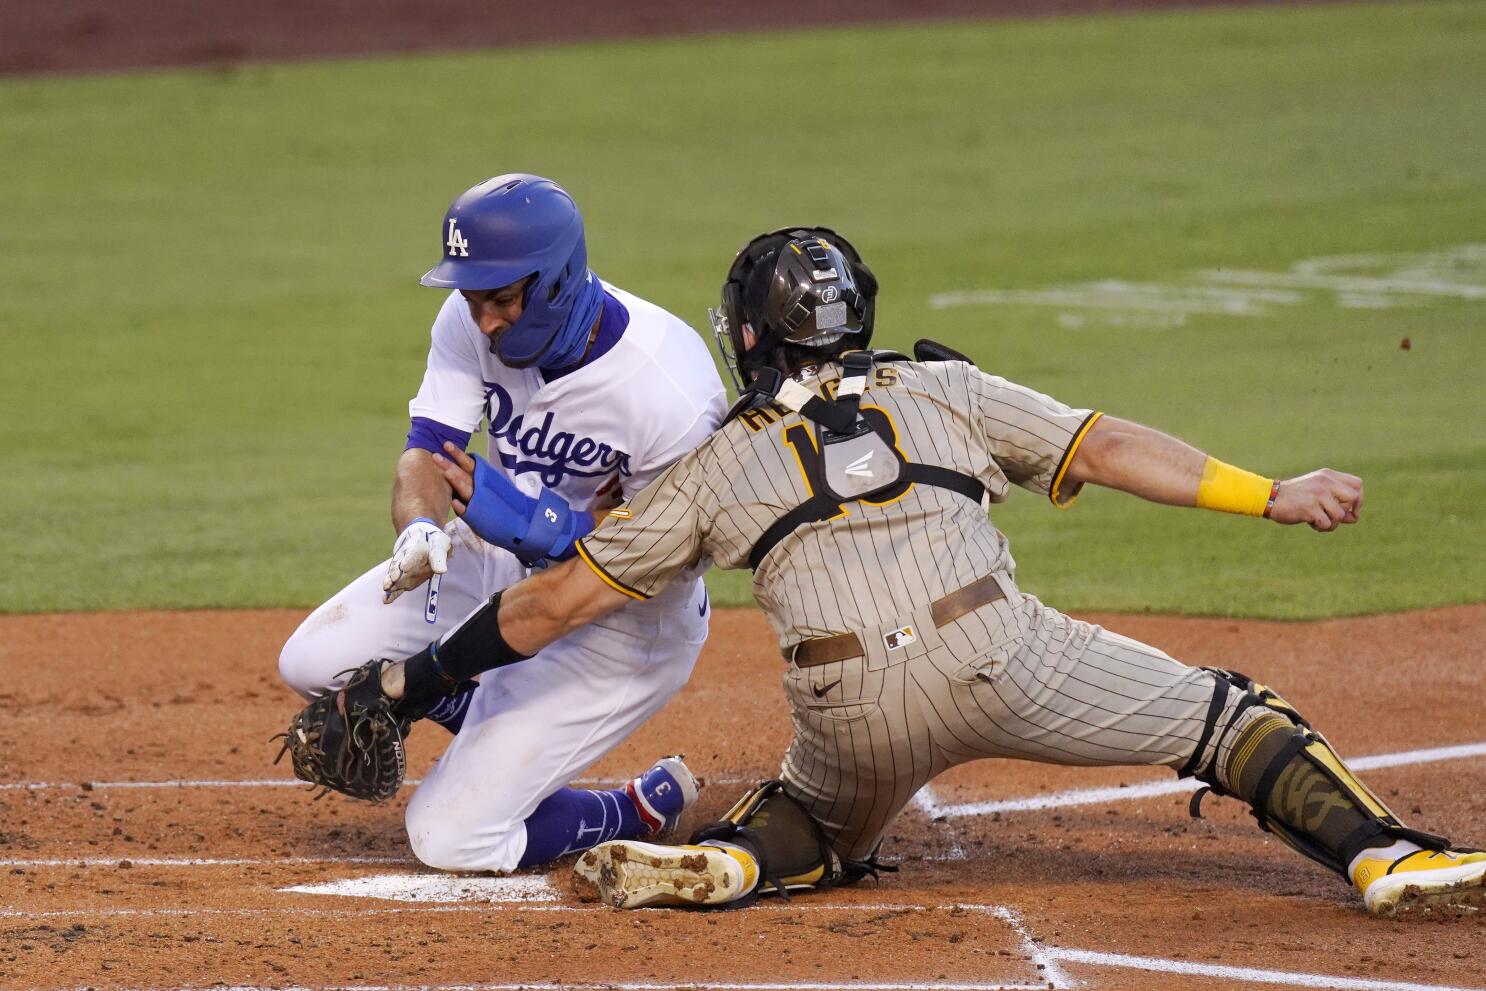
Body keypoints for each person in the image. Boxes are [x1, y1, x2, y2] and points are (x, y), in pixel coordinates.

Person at [365, 225, 1483, 917]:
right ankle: (1383, 855)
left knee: (819, 814)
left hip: (845, 704)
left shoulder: (714, 464)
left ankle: (740, 866)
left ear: (747, 339)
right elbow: (1105, 446)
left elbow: (553, 603)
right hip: (1002, 652)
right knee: (1233, 721)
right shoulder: (946, 389)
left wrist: (411, 684)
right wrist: (1269, 492)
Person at [276, 174, 726, 872]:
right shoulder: (469, 320)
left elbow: (642, 565)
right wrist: (419, 529)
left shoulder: (670, 391)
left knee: (449, 837)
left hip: (623, 621)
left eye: (503, 300)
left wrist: (538, 525)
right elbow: (426, 453)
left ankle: (641, 806)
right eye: (471, 297)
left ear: (556, 282)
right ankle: (494, 733)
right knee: (311, 661)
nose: (484, 320)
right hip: (499, 567)